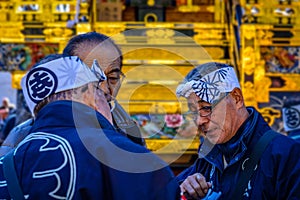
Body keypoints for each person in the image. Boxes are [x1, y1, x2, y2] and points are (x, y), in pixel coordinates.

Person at [0, 54, 180, 199]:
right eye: (101, 92)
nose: (108, 100)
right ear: (88, 93)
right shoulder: (129, 159)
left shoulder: (6, 164)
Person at [0, 32, 144, 156]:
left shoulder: (127, 128)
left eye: (112, 79)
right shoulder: (24, 137)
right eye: (91, 77)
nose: (104, 89)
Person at [175, 62, 300, 199]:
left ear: (236, 98)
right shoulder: (208, 157)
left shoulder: (287, 155)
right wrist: (183, 188)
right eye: (193, 112)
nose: (199, 121)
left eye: (206, 108)